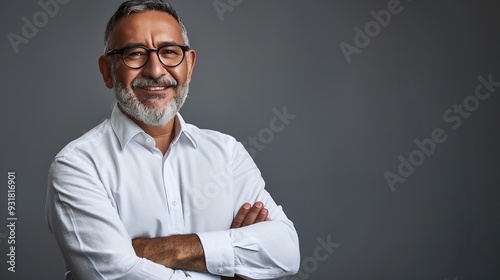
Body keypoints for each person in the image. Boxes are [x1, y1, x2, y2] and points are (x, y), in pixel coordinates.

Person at [45, 1, 300, 279]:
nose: (155, 70)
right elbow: (116, 276)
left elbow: (286, 253)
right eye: (135, 54)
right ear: (107, 71)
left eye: (169, 52)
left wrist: (164, 250)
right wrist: (231, 264)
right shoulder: (77, 166)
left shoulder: (227, 154)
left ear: (189, 65)